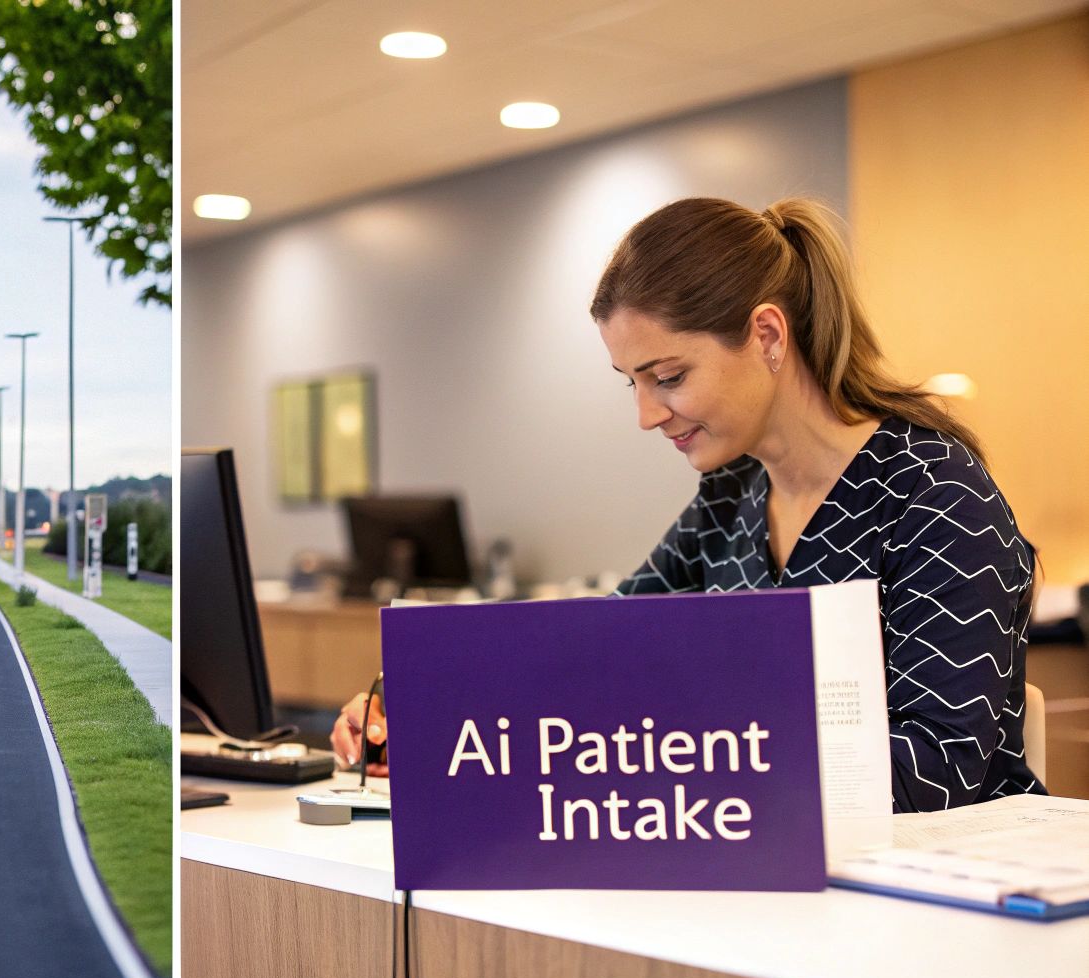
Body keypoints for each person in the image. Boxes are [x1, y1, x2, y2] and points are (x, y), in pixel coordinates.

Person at [331, 196, 1045, 812]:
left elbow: (938, 770)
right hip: (771, 861)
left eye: (667, 376)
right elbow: (594, 648)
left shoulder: (935, 496)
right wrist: (425, 705)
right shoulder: (732, 496)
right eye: (630, 383)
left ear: (767, 336)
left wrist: (690, 756)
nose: (647, 414)